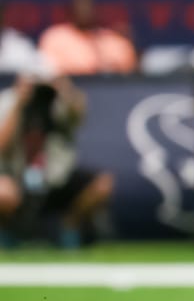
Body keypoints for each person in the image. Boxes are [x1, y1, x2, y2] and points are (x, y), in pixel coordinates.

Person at [0, 73, 112, 249]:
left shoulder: (57, 100)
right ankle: (6, 233)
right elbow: (2, 145)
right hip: (17, 174)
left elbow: (77, 115)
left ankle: (69, 227)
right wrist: (19, 102)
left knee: (102, 183)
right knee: (3, 192)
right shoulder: (8, 100)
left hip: (56, 175)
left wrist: (65, 90)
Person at [37, 0, 136, 75]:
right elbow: (49, 70)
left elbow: (129, 68)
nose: (85, 11)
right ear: (71, 10)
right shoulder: (55, 37)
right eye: (81, 6)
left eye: (88, 7)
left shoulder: (111, 39)